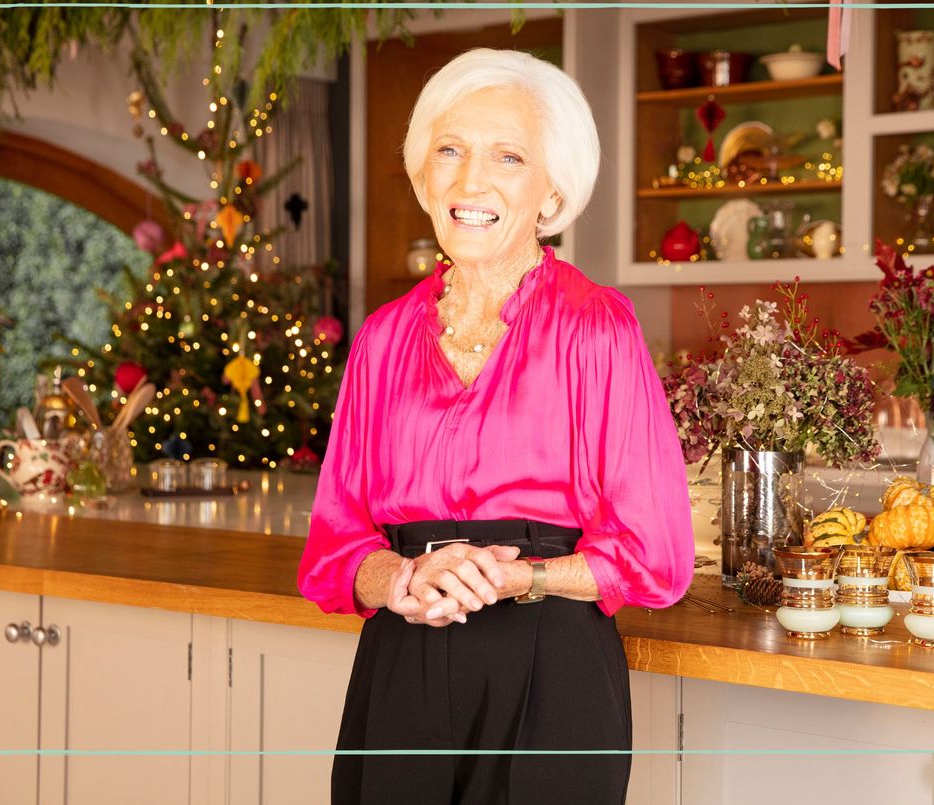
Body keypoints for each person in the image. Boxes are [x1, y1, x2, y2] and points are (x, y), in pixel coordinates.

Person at [297, 47, 695, 805]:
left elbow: (657, 553)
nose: (470, 180)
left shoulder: (597, 326)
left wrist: (517, 577)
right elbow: (333, 545)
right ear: (423, 175)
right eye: (450, 150)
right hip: (402, 657)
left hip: (552, 664)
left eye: (507, 156)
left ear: (551, 191)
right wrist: (404, 578)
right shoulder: (382, 338)